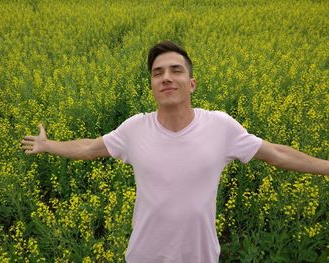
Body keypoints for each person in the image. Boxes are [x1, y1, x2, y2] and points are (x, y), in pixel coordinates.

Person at [21, 40, 329, 263]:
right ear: (152, 86)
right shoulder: (134, 129)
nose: (166, 77)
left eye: (175, 70)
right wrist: (48, 145)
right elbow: (89, 147)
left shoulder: (221, 126)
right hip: (144, 255)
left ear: (192, 83)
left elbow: (277, 153)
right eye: (157, 73)